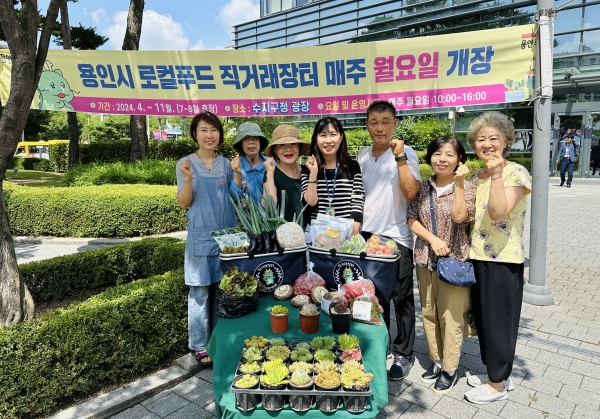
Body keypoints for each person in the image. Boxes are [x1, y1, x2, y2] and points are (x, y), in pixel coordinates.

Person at [463, 111, 531, 405]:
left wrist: (497, 174)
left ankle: (496, 385)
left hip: (502, 259)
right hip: (475, 256)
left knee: (500, 322)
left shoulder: (515, 172)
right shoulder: (476, 176)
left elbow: (497, 212)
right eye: (481, 139)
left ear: (506, 140)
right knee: (485, 320)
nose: (487, 144)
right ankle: (498, 374)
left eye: (494, 138)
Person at [356, 100, 421, 381]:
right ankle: (378, 346)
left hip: (396, 237)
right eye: (373, 122)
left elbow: (410, 193)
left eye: (385, 121)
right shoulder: (361, 155)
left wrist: (401, 157)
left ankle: (404, 353)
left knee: (401, 298)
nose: (379, 127)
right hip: (366, 237)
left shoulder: (406, 153)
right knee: (372, 297)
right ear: (367, 125)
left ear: (395, 123)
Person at [406, 136, 476, 394]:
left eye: (449, 154)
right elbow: (411, 219)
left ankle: (450, 368)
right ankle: (436, 361)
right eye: (437, 153)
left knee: (451, 316)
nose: (442, 159)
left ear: (460, 159)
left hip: (455, 261)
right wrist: (432, 239)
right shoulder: (423, 187)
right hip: (425, 258)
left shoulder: (468, 188)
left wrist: (458, 183)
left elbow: (460, 216)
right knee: (428, 312)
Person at [176, 111, 236, 366]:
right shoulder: (186, 163)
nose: (209, 135)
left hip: (225, 237)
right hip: (200, 236)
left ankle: (218, 340)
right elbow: (183, 203)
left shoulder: (226, 164)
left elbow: (236, 197)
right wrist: (189, 179)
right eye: (203, 130)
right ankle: (199, 345)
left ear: (220, 135)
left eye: (214, 130)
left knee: (223, 292)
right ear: (194, 134)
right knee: (200, 292)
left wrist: (240, 176)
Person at [302, 116, 364, 236]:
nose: (328, 140)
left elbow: (357, 200)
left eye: (333, 134)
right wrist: (313, 174)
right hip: (317, 236)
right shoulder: (308, 168)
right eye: (323, 135)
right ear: (316, 139)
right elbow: (310, 204)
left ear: (340, 138)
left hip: (345, 234)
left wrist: (352, 233)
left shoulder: (352, 166)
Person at [263, 124, 310, 226]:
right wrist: (270, 174)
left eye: (293, 144)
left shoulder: (307, 171)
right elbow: (269, 206)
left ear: (299, 147)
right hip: (284, 235)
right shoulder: (272, 173)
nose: (288, 149)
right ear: (275, 150)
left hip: (310, 232)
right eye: (282, 145)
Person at [230, 122, 270, 203]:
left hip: (271, 215)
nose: (251, 142)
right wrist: (237, 174)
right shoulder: (236, 165)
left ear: (260, 142)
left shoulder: (270, 163)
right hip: (245, 215)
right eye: (246, 138)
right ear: (241, 144)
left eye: (255, 138)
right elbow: (234, 197)